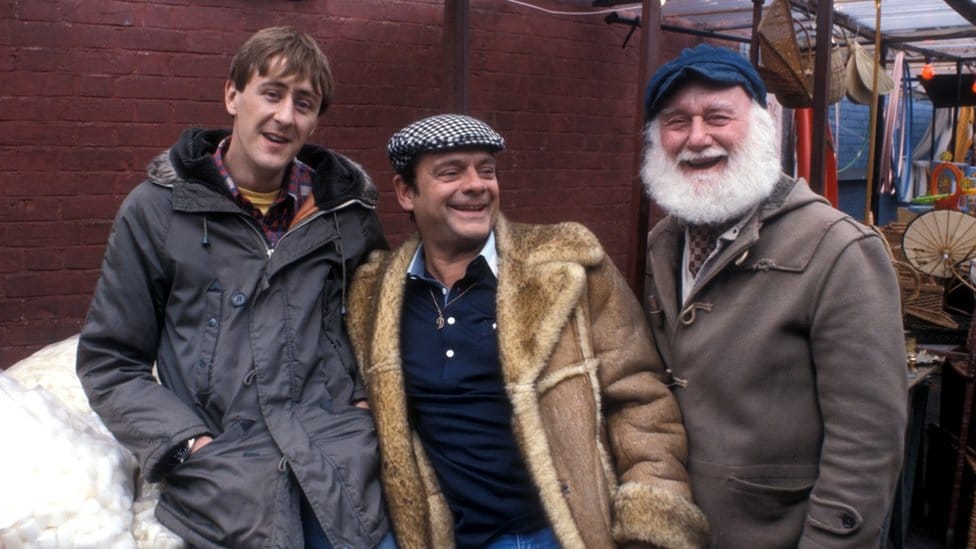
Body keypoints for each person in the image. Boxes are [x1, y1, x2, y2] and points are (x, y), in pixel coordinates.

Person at [76, 26, 394, 549]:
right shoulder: (157, 211)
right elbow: (110, 361)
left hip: (342, 463)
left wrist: (362, 406)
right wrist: (187, 444)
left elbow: (380, 324)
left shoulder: (345, 216)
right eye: (271, 93)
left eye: (304, 103)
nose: (285, 116)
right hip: (223, 477)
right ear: (232, 95)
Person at [344, 114, 709, 548]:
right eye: (450, 172)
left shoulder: (567, 267)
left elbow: (642, 400)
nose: (477, 184)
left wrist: (651, 523)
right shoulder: (372, 297)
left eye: (486, 169)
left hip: (565, 533)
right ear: (406, 192)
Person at [639, 44, 908, 548]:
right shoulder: (665, 241)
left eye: (719, 116)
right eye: (677, 122)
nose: (697, 138)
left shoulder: (838, 248)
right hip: (677, 528)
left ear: (762, 126)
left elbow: (866, 442)